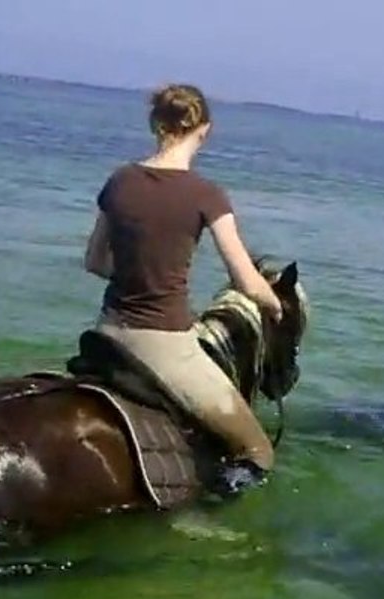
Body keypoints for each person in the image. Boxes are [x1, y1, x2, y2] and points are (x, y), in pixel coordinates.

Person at [82, 82, 283, 484]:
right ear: (204, 130)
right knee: (259, 451)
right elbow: (246, 281)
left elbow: (95, 261)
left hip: (107, 333)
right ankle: (207, 514)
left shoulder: (119, 181)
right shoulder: (206, 195)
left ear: (155, 124)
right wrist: (274, 306)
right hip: (165, 345)